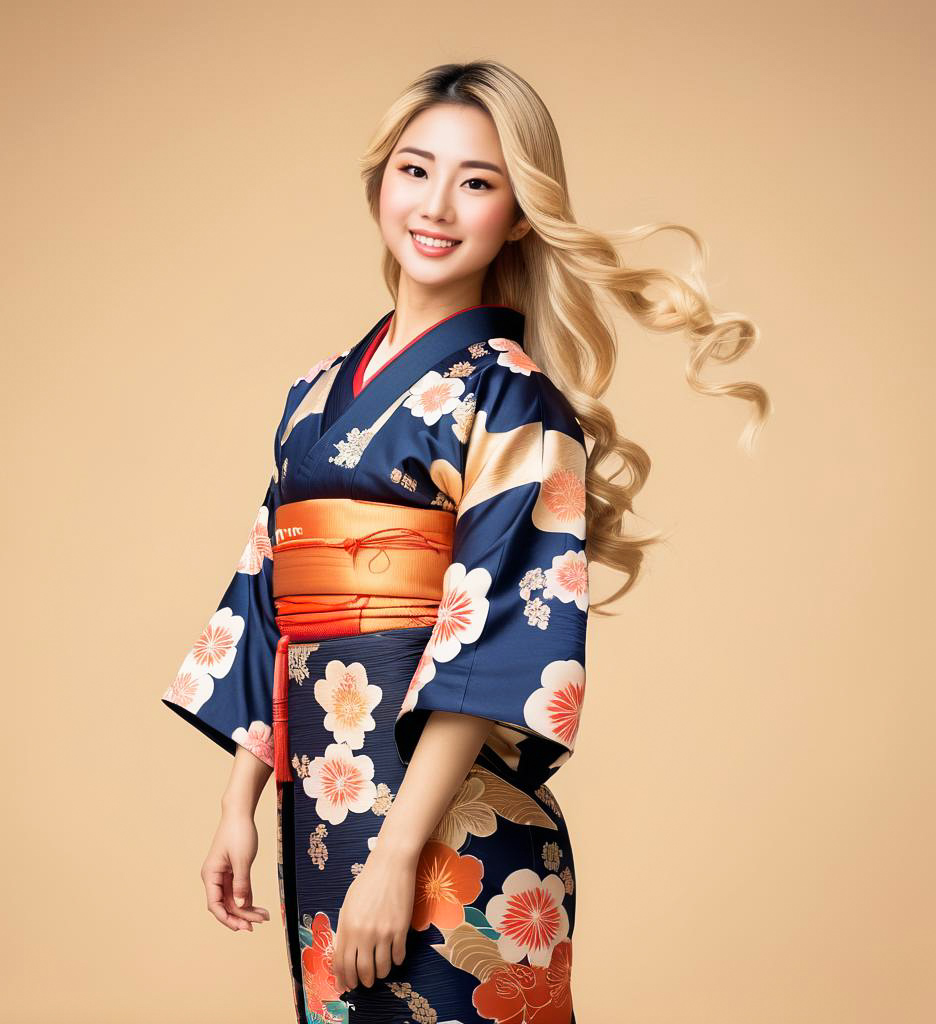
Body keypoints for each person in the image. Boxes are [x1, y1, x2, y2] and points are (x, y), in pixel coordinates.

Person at [161, 59, 769, 1023]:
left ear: (520, 213)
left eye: (478, 182)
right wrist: (238, 806)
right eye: (415, 170)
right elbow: (266, 594)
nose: (437, 205)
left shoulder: (515, 400)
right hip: (324, 806)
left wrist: (400, 855)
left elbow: (492, 643)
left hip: (449, 821)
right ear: (379, 183)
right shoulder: (314, 393)